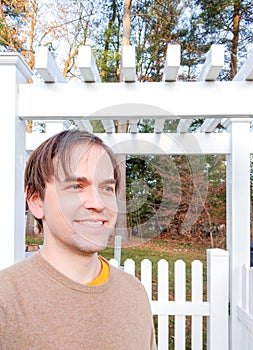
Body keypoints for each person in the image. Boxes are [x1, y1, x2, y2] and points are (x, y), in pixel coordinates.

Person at [0, 130, 156, 349]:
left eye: (107, 188)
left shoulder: (134, 294)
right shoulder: (5, 302)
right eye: (76, 186)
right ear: (36, 201)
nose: (98, 203)